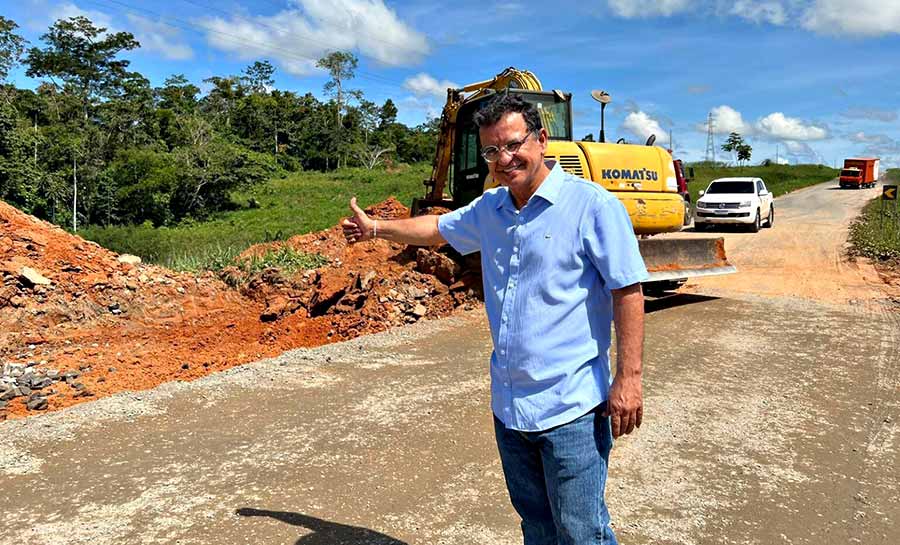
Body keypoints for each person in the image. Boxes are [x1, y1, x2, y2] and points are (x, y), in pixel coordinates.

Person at [341, 93, 647, 545]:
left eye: (513, 144)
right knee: (537, 527)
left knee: (583, 532)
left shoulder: (593, 206)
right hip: (510, 408)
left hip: (572, 408)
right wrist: (377, 229)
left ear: (541, 140)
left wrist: (629, 378)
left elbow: (628, 289)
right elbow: (437, 229)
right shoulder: (492, 209)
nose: (504, 159)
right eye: (491, 151)